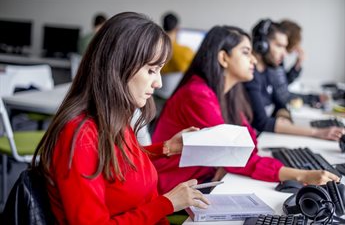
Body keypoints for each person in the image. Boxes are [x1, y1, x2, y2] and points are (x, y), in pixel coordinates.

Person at [32, 12, 209, 224]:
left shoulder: (111, 118)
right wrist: (167, 203)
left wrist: (167, 148)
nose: (159, 83)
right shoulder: (80, 137)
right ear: (118, 67)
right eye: (152, 70)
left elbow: (117, 165)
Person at [151, 26, 340, 195]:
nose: (253, 59)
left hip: (204, 179)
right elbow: (238, 156)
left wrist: (228, 161)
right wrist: (302, 175)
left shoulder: (229, 93)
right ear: (224, 58)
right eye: (245, 52)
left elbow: (247, 145)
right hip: (177, 189)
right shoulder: (197, 95)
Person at [243, 19, 344, 140]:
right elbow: (262, 122)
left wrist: (283, 116)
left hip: (266, 137)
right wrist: (317, 132)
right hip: (255, 140)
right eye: (279, 46)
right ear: (262, 45)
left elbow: (279, 102)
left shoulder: (267, 71)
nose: (285, 53)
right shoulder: (249, 76)